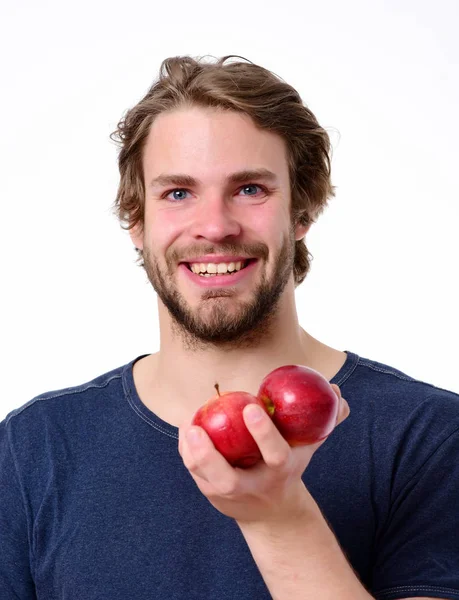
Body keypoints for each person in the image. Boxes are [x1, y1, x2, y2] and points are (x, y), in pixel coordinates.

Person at [1, 54, 458, 600]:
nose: (215, 226)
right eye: (177, 193)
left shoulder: (429, 438)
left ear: (303, 210)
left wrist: (279, 520)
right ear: (136, 220)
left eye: (250, 189)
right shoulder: (34, 450)